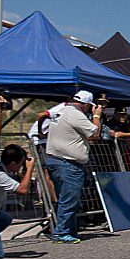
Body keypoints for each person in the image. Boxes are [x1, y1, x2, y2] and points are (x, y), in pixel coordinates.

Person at [45, 90, 102, 244]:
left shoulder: (61, 111)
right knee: (69, 199)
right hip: (68, 163)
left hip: (54, 159)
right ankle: (62, 232)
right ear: (86, 104)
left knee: (64, 198)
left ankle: (69, 230)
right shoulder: (75, 114)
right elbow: (94, 133)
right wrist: (96, 116)